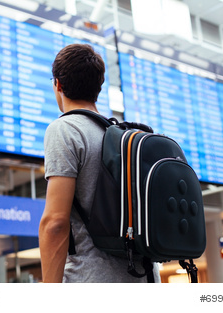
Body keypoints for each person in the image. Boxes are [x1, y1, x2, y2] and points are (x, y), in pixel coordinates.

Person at [38, 43, 160, 283]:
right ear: (99, 88)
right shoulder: (125, 138)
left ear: (58, 85)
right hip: (146, 279)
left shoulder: (65, 129)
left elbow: (54, 223)